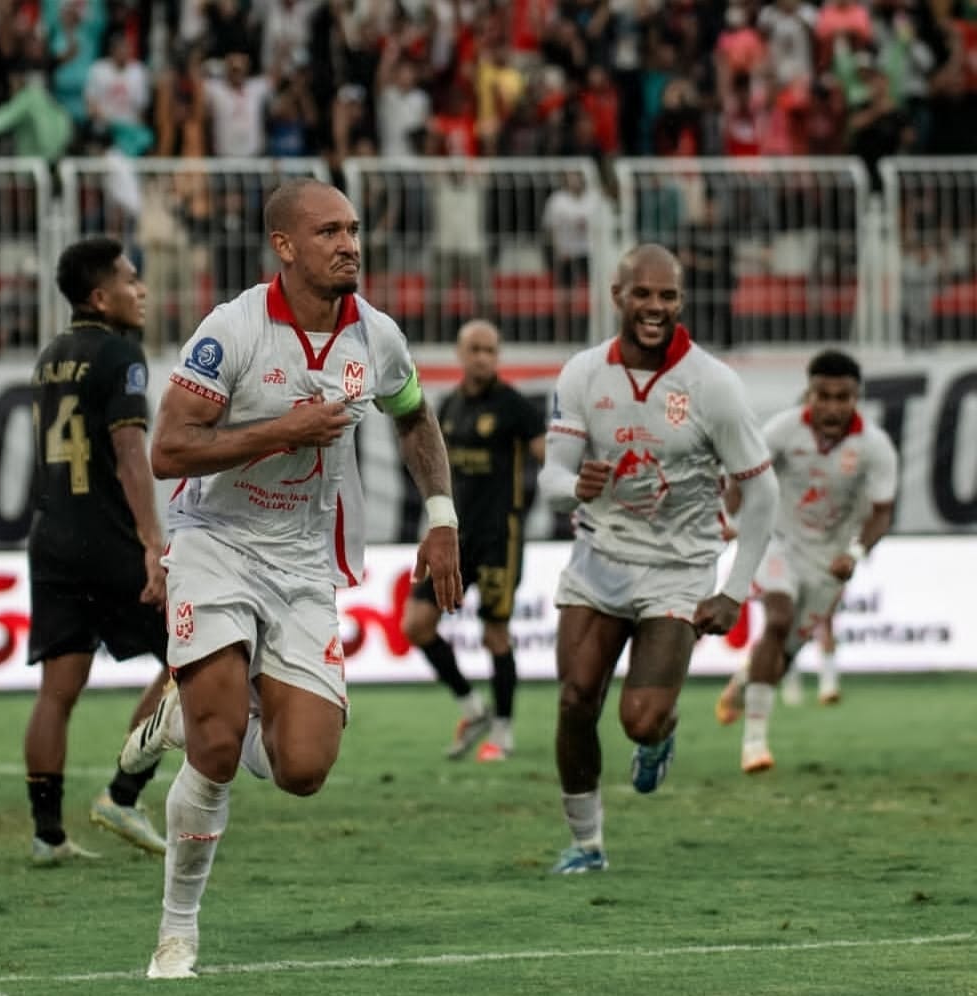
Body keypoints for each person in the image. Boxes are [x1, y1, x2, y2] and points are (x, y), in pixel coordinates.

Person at [118, 177, 462, 979]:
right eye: (329, 232)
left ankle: (197, 705)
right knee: (214, 745)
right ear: (285, 246)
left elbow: (413, 414)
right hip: (219, 542)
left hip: (306, 556)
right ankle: (177, 933)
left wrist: (440, 515)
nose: (349, 244)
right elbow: (169, 450)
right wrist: (286, 430)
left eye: (353, 229)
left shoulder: (376, 336)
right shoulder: (231, 330)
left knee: (303, 770)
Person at [538, 243, 779, 874]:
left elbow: (762, 491)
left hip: (678, 568)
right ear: (617, 296)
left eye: (667, 295)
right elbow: (552, 477)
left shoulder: (713, 385)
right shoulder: (583, 374)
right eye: (642, 294)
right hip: (600, 558)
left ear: (680, 301)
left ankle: (659, 736)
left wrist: (735, 589)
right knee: (574, 700)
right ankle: (586, 845)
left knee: (638, 720)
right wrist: (575, 487)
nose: (655, 307)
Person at [24, 236, 171, 866]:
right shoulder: (121, 355)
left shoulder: (51, 356)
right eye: (129, 280)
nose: (140, 290)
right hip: (108, 538)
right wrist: (152, 542)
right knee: (195, 658)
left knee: (58, 691)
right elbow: (130, 453)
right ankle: (123, 791)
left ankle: (47, 835)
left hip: (52, 537)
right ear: (98, 295)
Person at [715, 349, 898, 773]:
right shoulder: (782, 429)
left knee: (786, 653)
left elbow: (882, 511)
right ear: (809, 394)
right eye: (823, 395)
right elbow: (745, 476)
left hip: (829, 559)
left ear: (856, 398)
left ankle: (743, 684)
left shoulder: (874, 447)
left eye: (842, 397)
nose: (832, 406)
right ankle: (754, 744)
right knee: (777, 619)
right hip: (776, 540)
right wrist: (729, 518)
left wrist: (854, 553)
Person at [402, 318, 546, 762]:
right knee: (416, 625)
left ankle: (502, 732)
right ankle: (473, 708)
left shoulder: (517, 408)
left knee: (496, 634)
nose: (483, 357)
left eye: (491, 350)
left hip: (501, 536)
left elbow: (548, 459)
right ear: (461, 355)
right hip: (455, 539)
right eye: (476, 349)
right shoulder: (446, 408)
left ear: (497, 356)